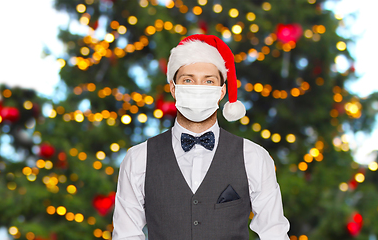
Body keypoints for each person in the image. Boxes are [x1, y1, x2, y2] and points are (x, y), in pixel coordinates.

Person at [112, 34, 290, 240]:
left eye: (209, 81)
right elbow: (126, 235)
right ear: (173, 88)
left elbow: (274, 233)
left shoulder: (254, 157)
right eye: (188, 80)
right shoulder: (138, 158)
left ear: (222, 91)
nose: (198, 88)